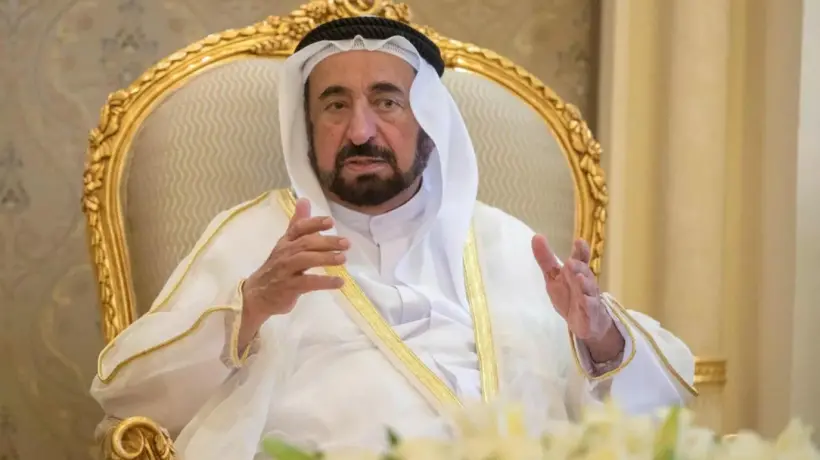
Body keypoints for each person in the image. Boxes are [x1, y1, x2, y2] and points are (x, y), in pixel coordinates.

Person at [89, 16, 696, 460]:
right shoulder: (258, 237)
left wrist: (599, 338)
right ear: (306, 125)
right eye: (335, 106)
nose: (360, 131)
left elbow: (654, 412)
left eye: (387, 102)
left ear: (428, 119)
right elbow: (129, 394)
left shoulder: (506, 244)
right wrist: (248, 308)